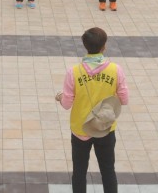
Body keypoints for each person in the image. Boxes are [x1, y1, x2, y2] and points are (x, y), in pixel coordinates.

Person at [55, 27, 129, 193]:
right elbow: (124, 100)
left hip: (80, 128)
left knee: (79, 173)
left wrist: (60, 97)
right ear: (104, 46)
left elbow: (67, 104)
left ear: (85, 45)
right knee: (108, 171)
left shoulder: (73, 72)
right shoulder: (116, 70)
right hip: (105, 128)